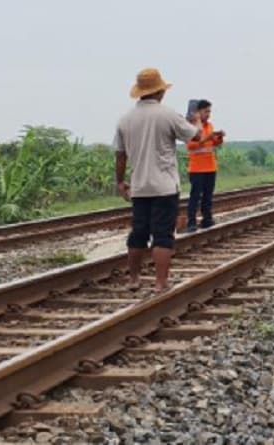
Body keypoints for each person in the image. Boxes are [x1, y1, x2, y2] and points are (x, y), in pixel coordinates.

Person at [114, 68, 213, 293]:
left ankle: (134, 279)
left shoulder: (125, 120)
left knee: (138, 233)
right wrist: (197, 120)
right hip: (165, 187)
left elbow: (120, 155)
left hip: (139, 187)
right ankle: (160, 283)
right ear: (159, 91)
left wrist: (120, 182)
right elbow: (197, 136)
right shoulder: (168, 115)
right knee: (163, 235)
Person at [186, 99, 225, 232]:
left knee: (208, 196)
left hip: (210, 166)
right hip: (197, 168)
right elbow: (191, 145)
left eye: (209, 111)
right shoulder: (191, 127)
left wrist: (219, 137)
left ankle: (207, 219)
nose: (208, 114)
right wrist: (207, 138)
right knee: (195, 196)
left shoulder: (209, 126)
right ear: (198, 112)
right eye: (206, 111)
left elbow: (214, 144)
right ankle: (191, 222)